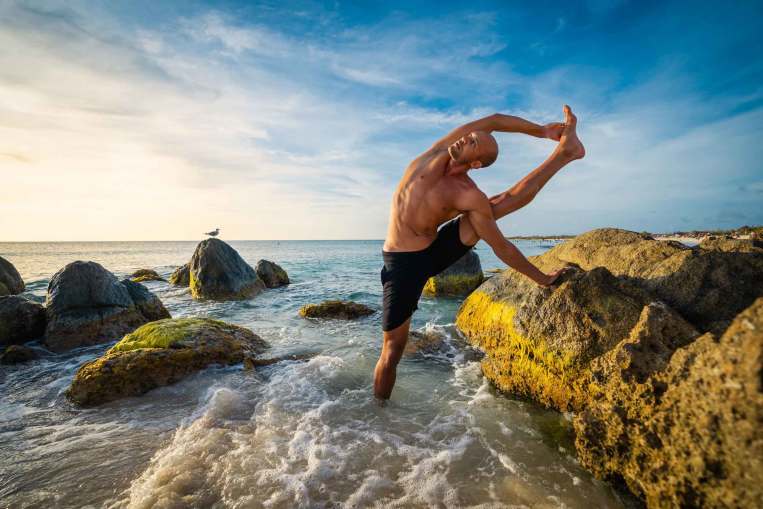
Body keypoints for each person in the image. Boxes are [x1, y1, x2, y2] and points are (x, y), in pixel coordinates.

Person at [374, 105, 586, 400]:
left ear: (475, 164)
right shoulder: (437, 153)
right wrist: (541, 131)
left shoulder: (468, 194)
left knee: (493, 206)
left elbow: (501, 246)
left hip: (430, 256)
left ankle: (565, 155)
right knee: (394, 349)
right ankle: (378, 412)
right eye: (469, 136)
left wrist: (542, 278)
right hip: (400, 263)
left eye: (472, 142)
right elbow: (496, 121)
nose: (463, 139)